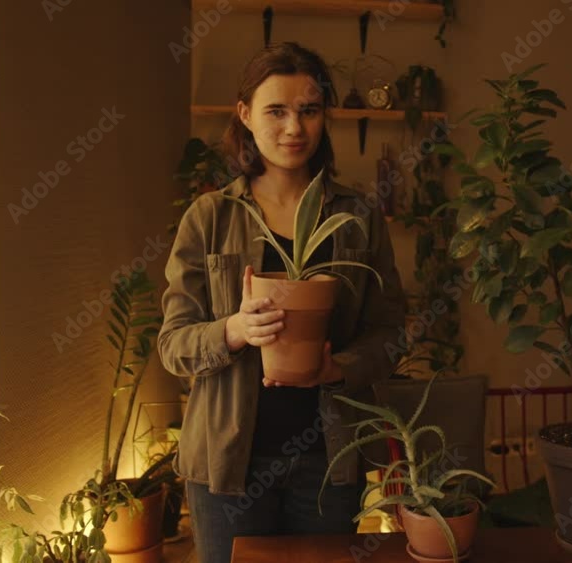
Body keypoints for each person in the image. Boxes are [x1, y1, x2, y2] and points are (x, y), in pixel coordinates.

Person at [156, 42, 407, 563]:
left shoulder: (357, 215)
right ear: (245, 115)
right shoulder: (209, 217)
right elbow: (173, 344)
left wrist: (339, 367)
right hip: (227, 466)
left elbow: (391, 332)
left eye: (309, 111)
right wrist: (234, 330)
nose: (294, 128)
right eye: (276, 111)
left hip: (329, 461)